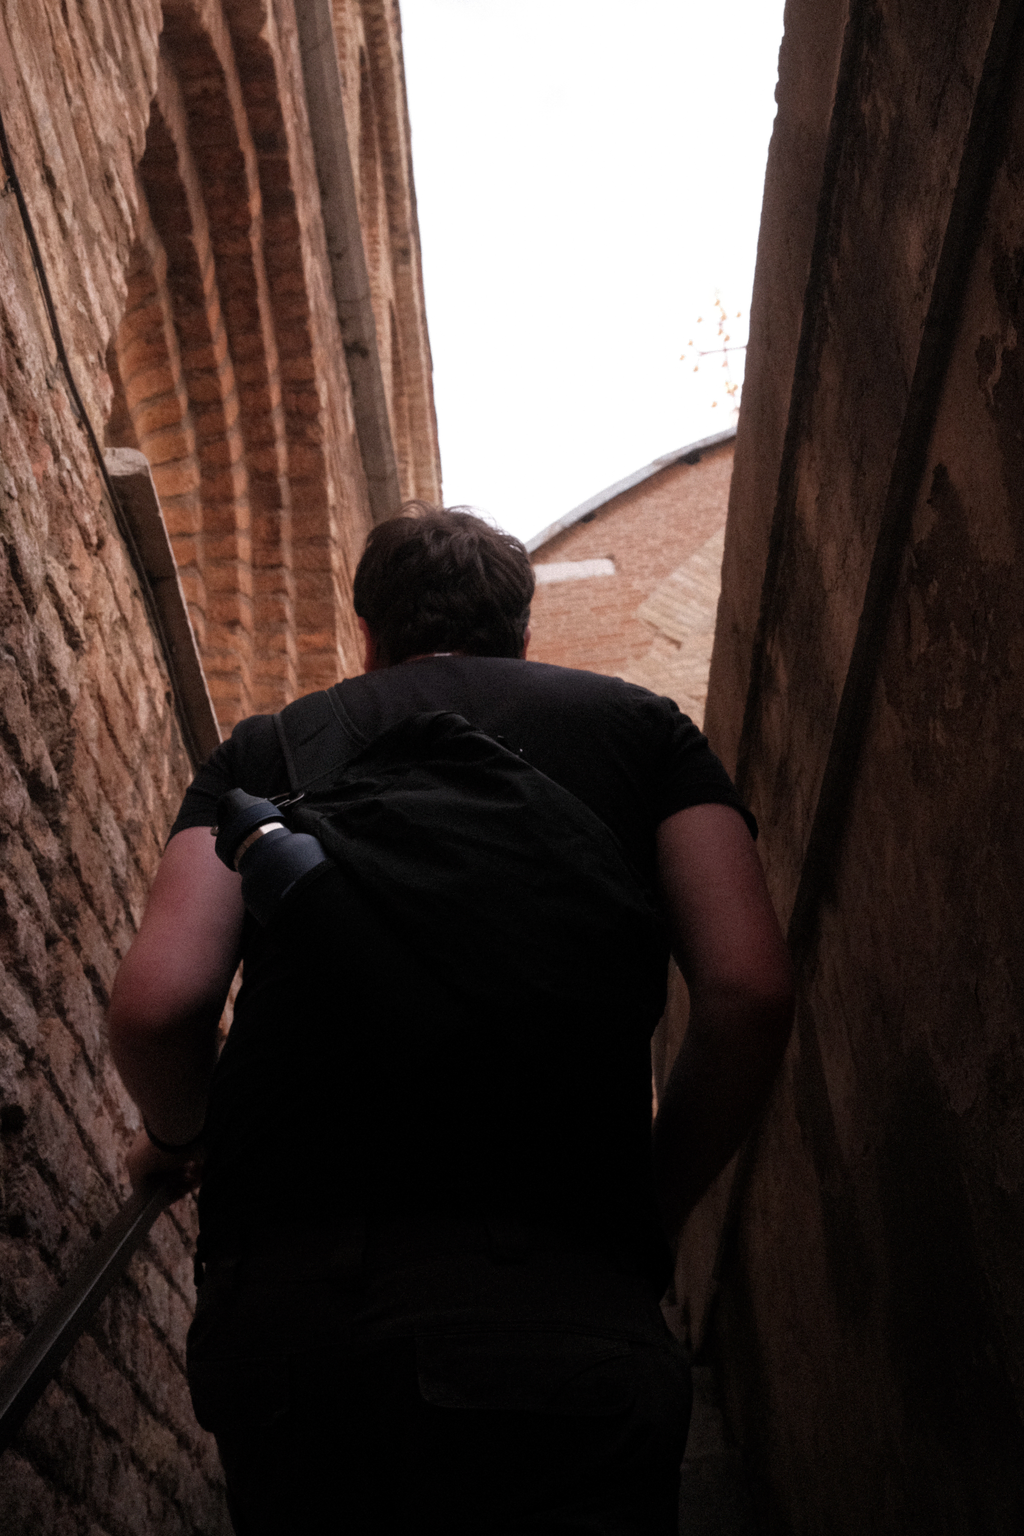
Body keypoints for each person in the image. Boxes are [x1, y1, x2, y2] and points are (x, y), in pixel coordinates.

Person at [108, 504, 793, 1535]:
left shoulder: (268, 750)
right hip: (568, 1312)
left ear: (368, 635)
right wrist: (644, 1212)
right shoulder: (645, 734)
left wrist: (184, 1140)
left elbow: (160, 1007)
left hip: (304, 1326)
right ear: (523, 633)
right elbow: (746, 991)